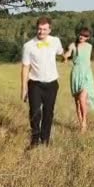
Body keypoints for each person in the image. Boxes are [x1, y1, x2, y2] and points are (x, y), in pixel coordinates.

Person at [21, 17, 64, 147]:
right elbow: (25, 68)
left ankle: (45, 139)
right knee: (34, 112)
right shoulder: (28, 46)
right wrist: (23, 88)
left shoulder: (56, 41)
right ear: (36, 28)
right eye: (39, 29)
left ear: (50, 29)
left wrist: (67, 55)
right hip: (35, 84)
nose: (41, 32)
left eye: (44, 29)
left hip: (51, 84)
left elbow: (61, 53)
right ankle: (34, 140)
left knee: (48, 112)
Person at [63, 27, 94, 133]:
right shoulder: (73, 45)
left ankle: (84, 123)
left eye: (85, 36)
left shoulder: (89, 46)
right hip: (76, 74)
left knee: (82, 98)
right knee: (77, 102)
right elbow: (68, 54)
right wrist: (65, 57)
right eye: (81, 34)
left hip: (87, 74)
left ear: (88, 37)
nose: (82, 37)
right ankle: (81, 122)